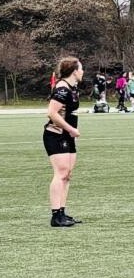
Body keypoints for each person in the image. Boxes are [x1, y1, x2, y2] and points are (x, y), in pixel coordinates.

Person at [45, 57, 84, 227]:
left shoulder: (72, 88)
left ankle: (62, 212)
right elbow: (52, 113)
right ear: (74, 71)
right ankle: (55, 216)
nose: (83, 72)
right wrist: (70, 129)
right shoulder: (62, 88)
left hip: (68, 136)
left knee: (67, 175)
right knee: (60, 173)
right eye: (81, 69)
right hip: (56, 135)